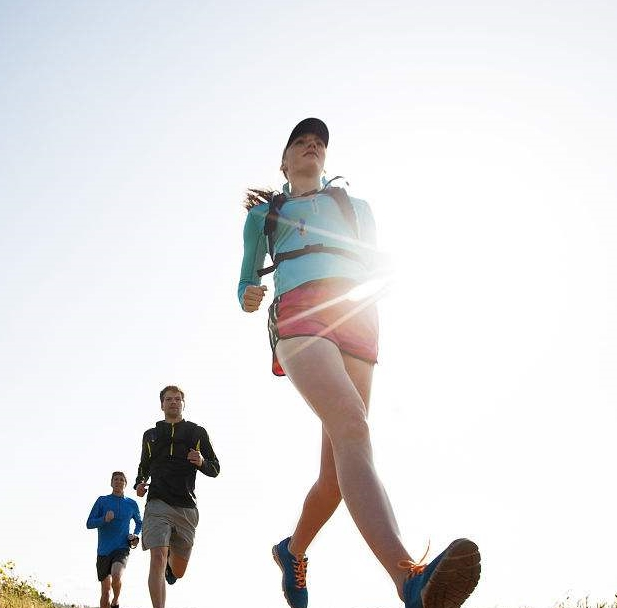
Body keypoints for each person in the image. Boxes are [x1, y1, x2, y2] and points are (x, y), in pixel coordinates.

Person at [237, 117, 481, 608]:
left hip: (357, 318)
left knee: (336, 475)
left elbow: (376, 261)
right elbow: (244, 280)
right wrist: (248, 294)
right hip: (300, 316)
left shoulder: (356, 206)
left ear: (325, 160)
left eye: (319, 143)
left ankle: (292, 550)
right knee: (353, 428)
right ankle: (408, 577)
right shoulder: (264, 216)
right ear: (285, 162)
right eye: (301, 142)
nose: (312, 146)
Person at [133, 385, 220, 608]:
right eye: (169, 399)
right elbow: (144, 465)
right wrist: (139, 483)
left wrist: (201, 461)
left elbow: (215, 468)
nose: (173, 402)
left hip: (186, 506)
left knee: (178, 572)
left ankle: (172, 557)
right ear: (162, 405)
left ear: (183, 404)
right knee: (157, 558)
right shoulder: (150, 436)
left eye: (177, 399)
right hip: (157, 502)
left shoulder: (196, 433)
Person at [86, 471, 143, 608]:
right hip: (104, 551)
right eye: (115, 479)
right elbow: (89, 523)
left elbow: (139, 523)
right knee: (105, 592)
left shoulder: (131, 504)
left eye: (121, 480)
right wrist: (104, 519)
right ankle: (110, 600)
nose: (118, 482)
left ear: (125, 484)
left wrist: (135, 534)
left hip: (122, 547)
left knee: (116, 574)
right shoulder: (102, 501)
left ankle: (116, 600)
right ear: (111, 483)